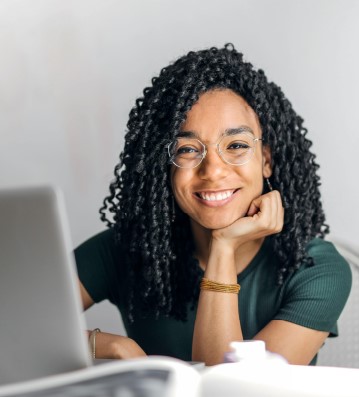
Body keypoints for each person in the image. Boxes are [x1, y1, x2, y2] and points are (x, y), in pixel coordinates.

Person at [75, 44, 352, 366]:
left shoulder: (315, 268)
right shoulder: (125, 248)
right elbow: (13, 325)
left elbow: (231, 389)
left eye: (236, 145)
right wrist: (112, 346)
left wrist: (224, 246)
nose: (214, 170)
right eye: (188, 150)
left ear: (266, 160)